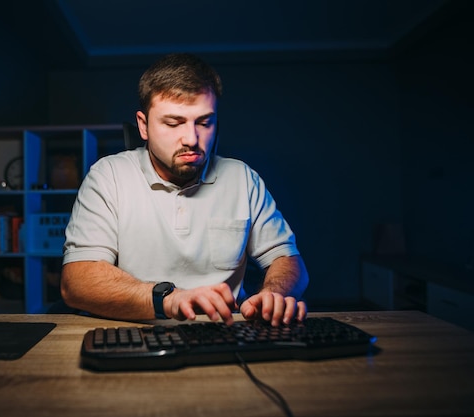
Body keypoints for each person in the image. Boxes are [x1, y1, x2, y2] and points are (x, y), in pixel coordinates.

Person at [61, 53, 309, 326]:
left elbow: (288, 260)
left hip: (225, 336)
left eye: (204, 122)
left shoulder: (242, 178)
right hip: (137, 334)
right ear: (143, 126)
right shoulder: (108, 177)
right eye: (173, 123)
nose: (192, 139)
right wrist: (168, 299)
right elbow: (77, 281)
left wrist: (273, 294)